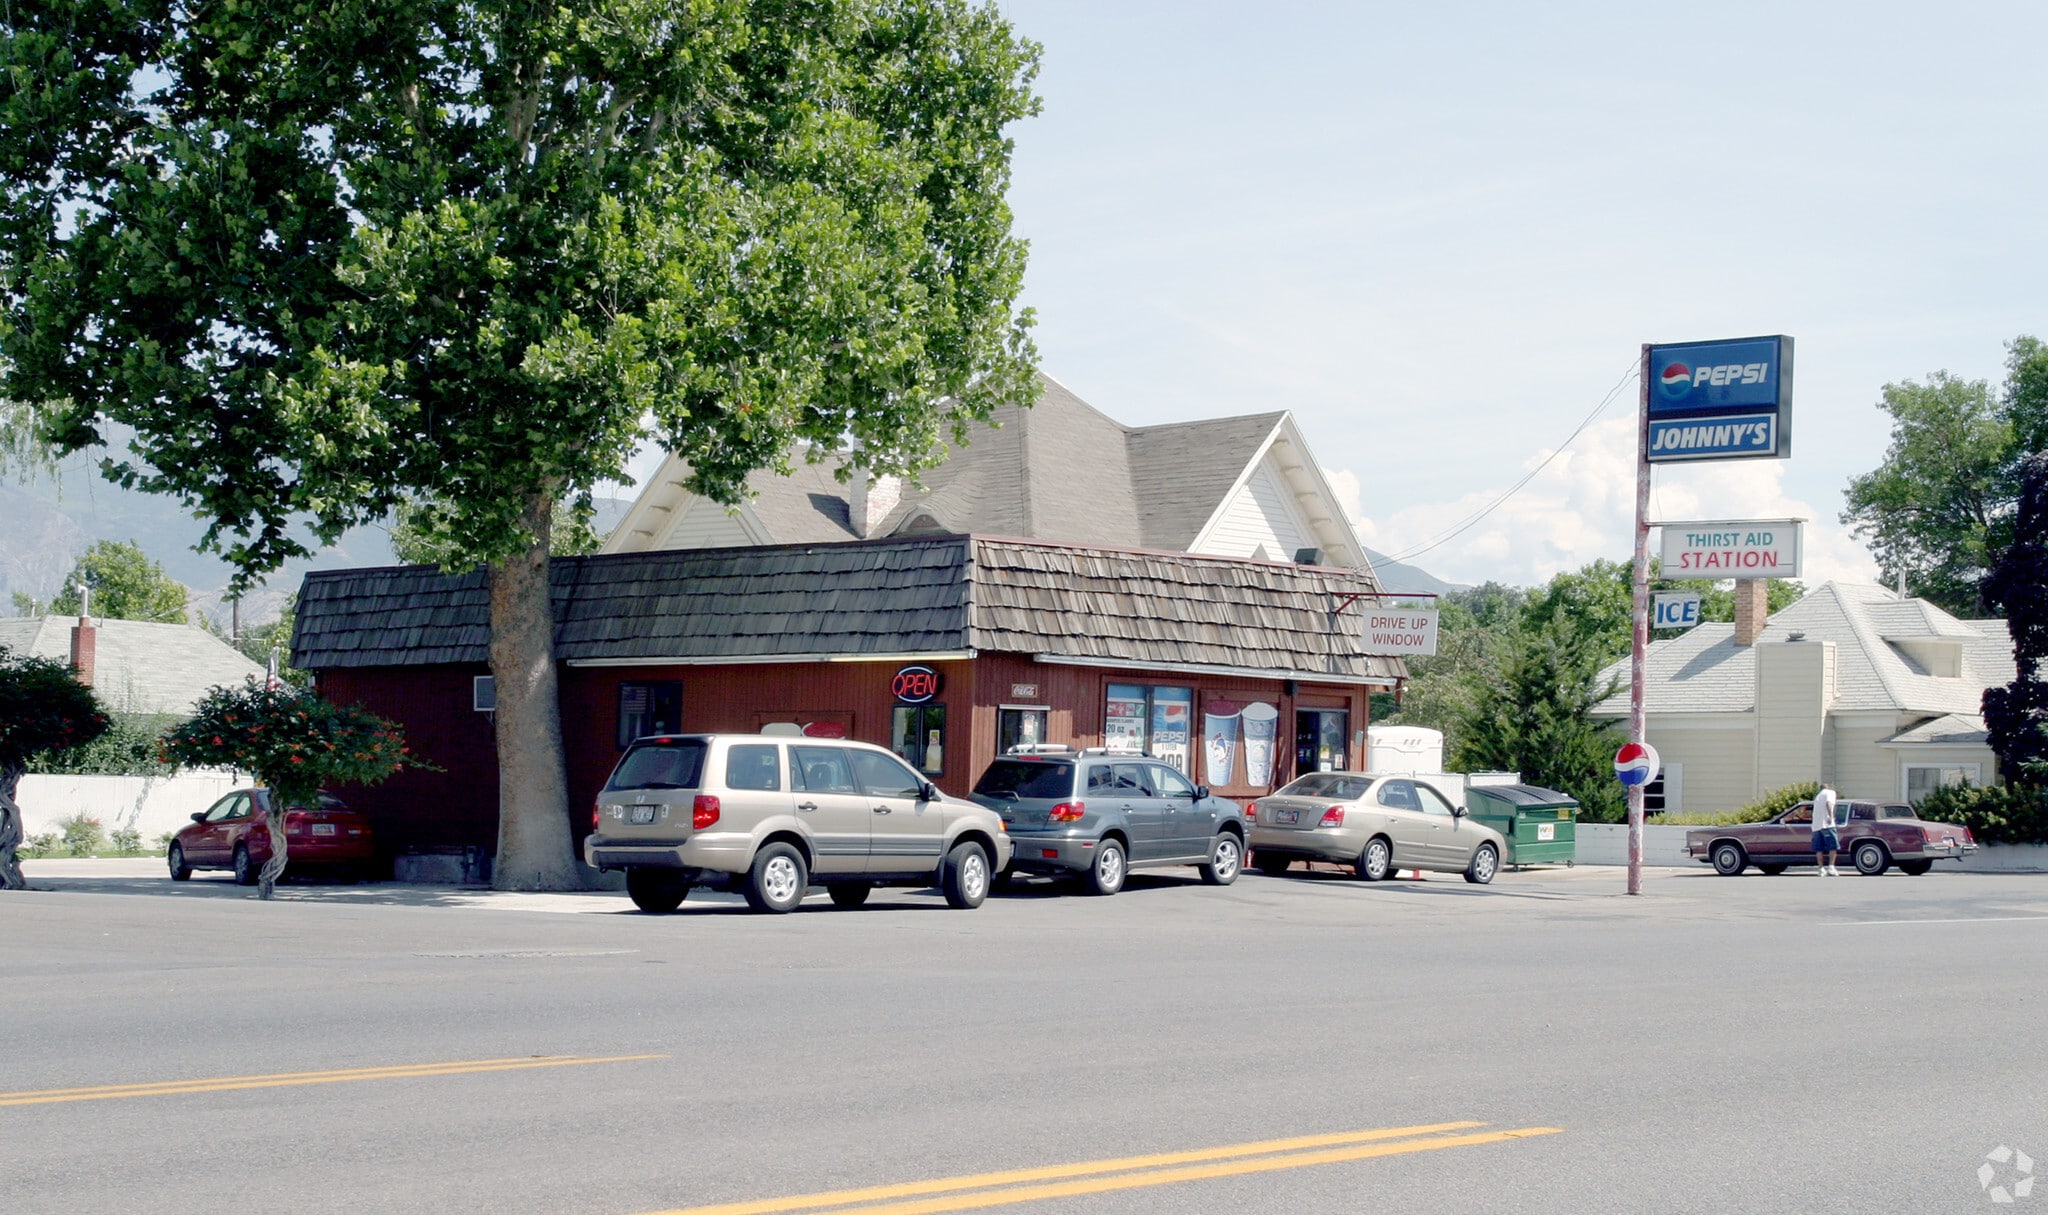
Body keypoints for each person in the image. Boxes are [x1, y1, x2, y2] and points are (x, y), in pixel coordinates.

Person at [1812, 783, 1841, 876]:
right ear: (1828, 788)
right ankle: (1831, 867)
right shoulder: (1831, 793)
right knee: (1833, 846)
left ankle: (1821, 869)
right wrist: (1831, 817)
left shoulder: (1817, 796)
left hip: (1816, 826)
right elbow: (1828, 803)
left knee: (1819, 849)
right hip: (1827, 825)